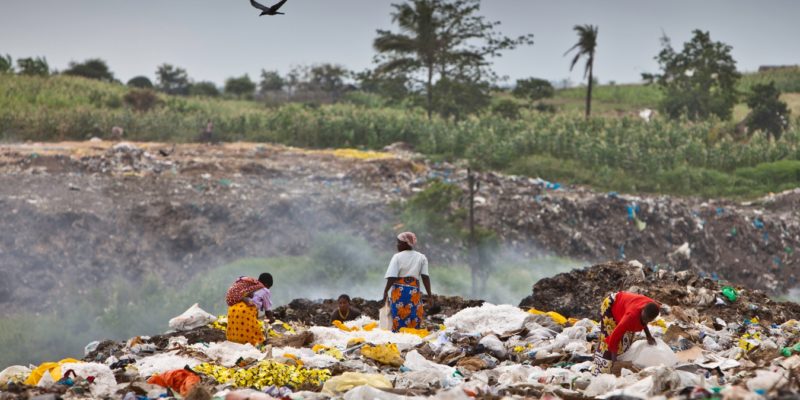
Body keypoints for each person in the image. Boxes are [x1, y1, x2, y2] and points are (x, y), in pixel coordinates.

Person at [593, 291, 661, 375]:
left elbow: (643, 323)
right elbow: (614, 338)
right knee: (608, 345)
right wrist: (615, 363)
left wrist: (648, 336)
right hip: (610, 306)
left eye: (648, 320)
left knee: (625, 344)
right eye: (644, 319)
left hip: (624, 304)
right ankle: (600, 372)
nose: (645, 322)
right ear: (642, 310)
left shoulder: (653, 308)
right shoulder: (631, 316)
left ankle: (620, 370)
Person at [381, 232, 432, 332]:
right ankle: (412, 334)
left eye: (399, 243)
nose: (397, 245)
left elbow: (392, 277)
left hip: (399, 291)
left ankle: (398, 334)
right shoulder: (421, 257)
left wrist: (385, 291)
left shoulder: (397, 257)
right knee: (413, 313)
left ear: (406, 243)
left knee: (398, 314)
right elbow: (425, 277)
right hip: (413, 291)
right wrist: (430, 295)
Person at [225, 276, 266, 346]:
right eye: (252, 292)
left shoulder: (232, 307)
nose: (253, 294)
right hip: (248, 340)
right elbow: (254, 326)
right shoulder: (250, 307)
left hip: (232, 339)